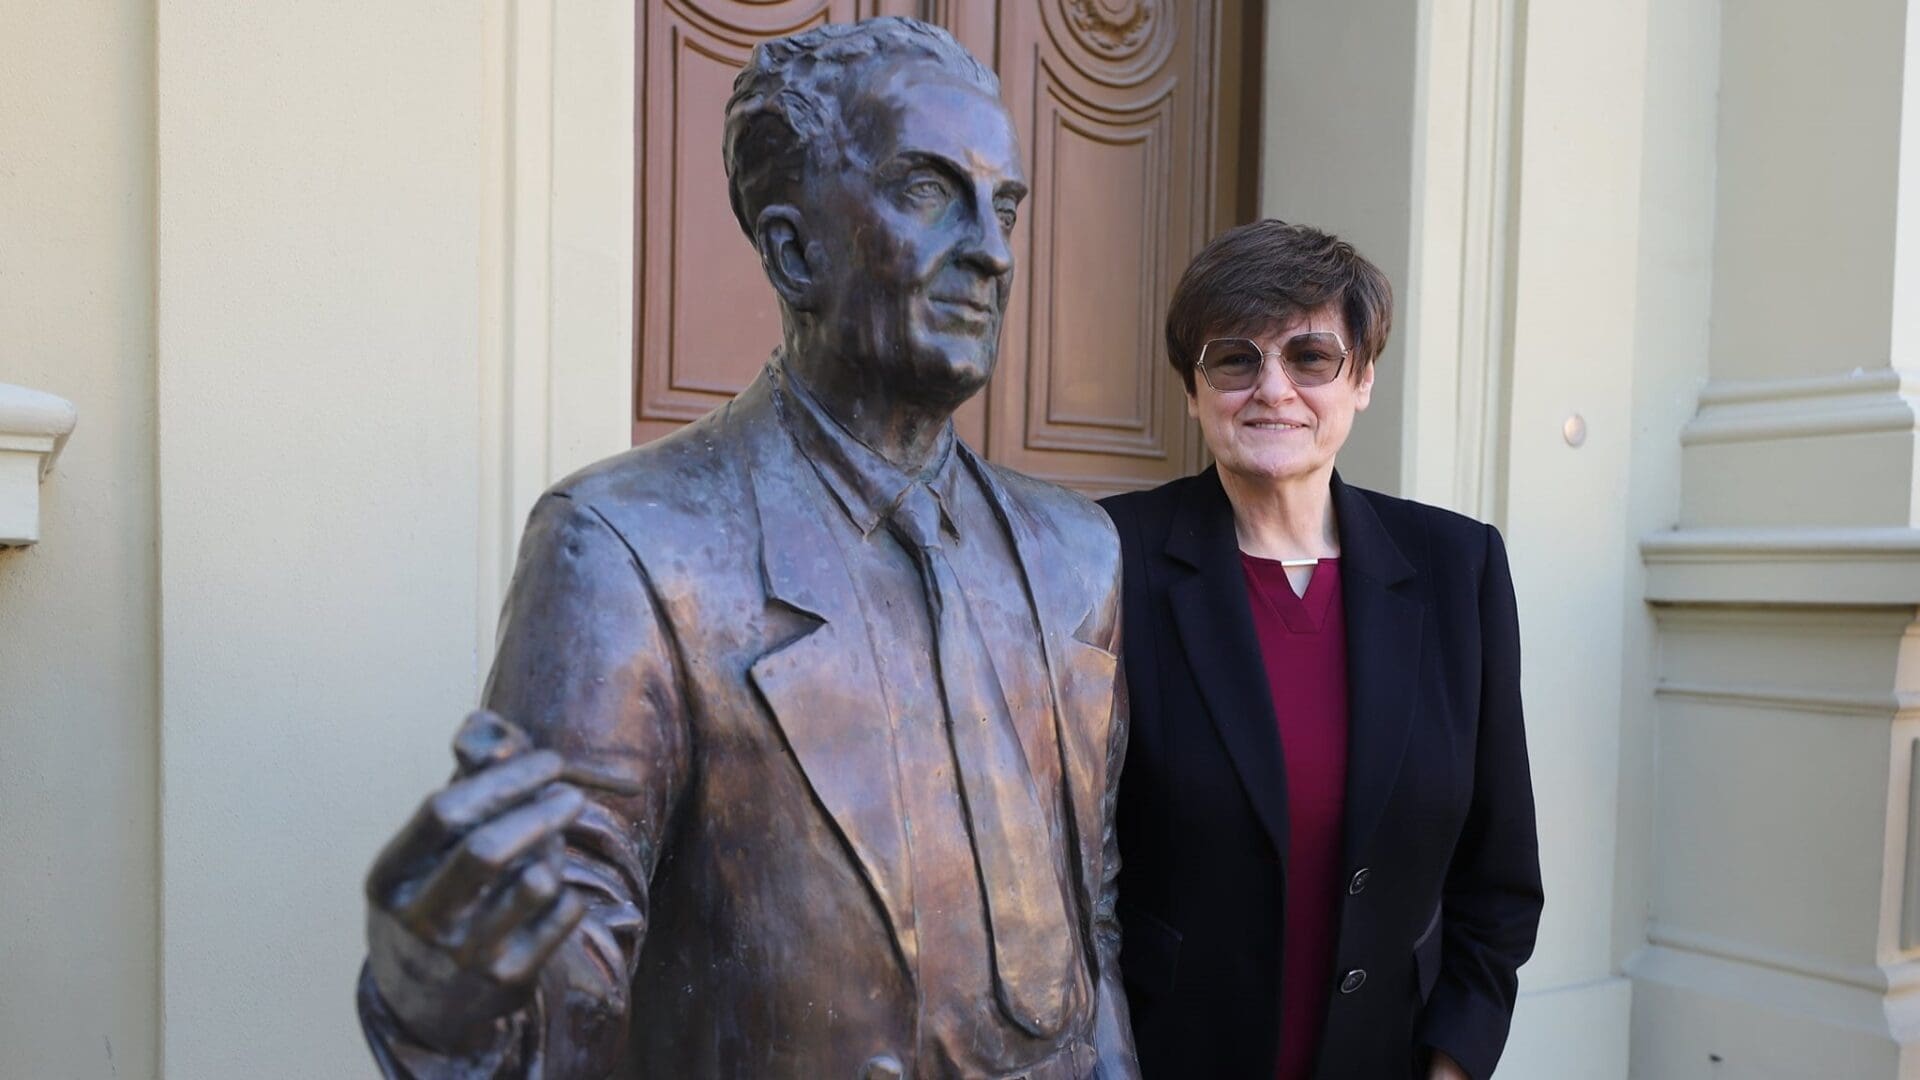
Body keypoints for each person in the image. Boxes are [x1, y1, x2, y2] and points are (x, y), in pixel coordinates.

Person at [356, 18, 1138, 1078]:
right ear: (793, 248)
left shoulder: (1076, 555)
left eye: (1003, 206)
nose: (992, 251)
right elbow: (560, 990)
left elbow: (1091, 928)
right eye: (925, 192)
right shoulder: (633, 553)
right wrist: (441, 1003)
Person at [1099, 220, 1542, 1079]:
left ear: (1363, 379)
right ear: (1193, 391)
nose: (1274, 390)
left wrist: (1452, 1063)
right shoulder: (1106, 559)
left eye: (1310, 357)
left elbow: (1500, 875)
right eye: (1234, 359)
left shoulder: (1459, 569)